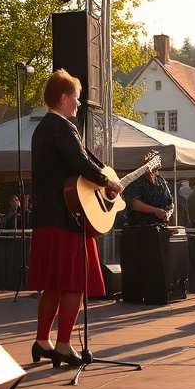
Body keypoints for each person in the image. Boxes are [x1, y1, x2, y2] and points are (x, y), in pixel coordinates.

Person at [27, 69, 122, 368]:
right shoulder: (63, 127)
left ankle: (43, 341)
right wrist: (106, 182)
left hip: (46, 217)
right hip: (67, 217)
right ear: (65, 98)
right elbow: (80, 161)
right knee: (74, 283)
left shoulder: (41, 128)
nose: (79, 105)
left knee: (54, 284)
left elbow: (78, 160)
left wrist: (102, 173)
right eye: (77, 100)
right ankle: (65, 345)